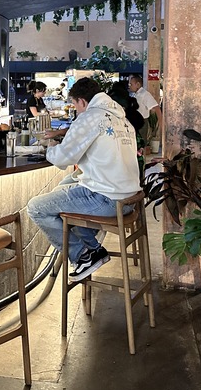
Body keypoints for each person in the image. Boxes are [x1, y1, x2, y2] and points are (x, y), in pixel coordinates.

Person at [27, 77, 141, 282]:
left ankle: (83, 255)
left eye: (75, 105)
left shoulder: (90, 117)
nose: (76, 110)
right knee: (63, 188)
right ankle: (92, 249)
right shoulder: (122, 119)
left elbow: (63, 157)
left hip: (107, 200)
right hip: (129, 199)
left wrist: (49, 146)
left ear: (82, 101)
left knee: (36, 207)